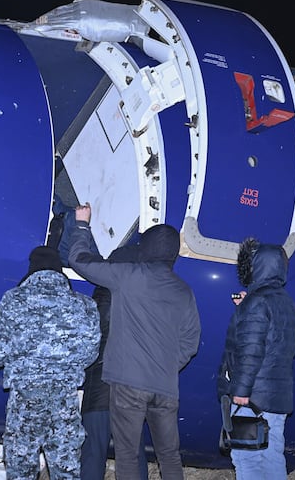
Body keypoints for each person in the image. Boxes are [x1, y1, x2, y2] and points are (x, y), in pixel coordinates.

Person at [68, 203, 201, 480]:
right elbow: (190, 342)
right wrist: (164, 366)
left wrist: (82, 224)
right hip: (165, 388)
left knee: (127, 455)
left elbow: (80, 260)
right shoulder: (183, 291)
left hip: (128, 384)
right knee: (169, 457)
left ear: (147, 247)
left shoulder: (130, 276)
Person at [0, 245, 100, 480]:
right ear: (60, 271)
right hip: (64, 401)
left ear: (31, 271)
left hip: (24, 401)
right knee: (66, 471)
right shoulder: (84, 306)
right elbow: (90, 356)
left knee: (21, 471)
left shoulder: (14, 301)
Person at [217, 237, 295, 480]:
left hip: (252, 398)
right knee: (272, 455)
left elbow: (251, 349)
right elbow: (275, 345)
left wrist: (241, 392)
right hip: (276, 397)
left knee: (247, 459)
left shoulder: (257, 302)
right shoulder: (286, 303)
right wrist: (245, 307)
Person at [80, 244, 149, 480]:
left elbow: (86, 344)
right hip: (132, 391)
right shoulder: (148, 299)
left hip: (98, 389)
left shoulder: (99, 296)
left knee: (92, 454)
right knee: (132, 455)